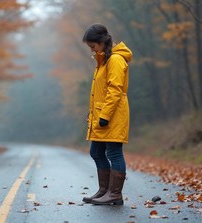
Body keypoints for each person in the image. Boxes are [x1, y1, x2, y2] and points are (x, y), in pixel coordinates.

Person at [81, 23, 132, 205]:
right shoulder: (103, 61)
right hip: (103, 114)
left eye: (93, 46)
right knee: (96, 152)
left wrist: (105, 115)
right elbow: (100, 93)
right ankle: (104, 190)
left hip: (113, 115)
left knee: (114, 153)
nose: (92, 50)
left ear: (102, 42)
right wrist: (94, 114)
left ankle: (115, 193)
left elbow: (115, 90)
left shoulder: (116, 60)